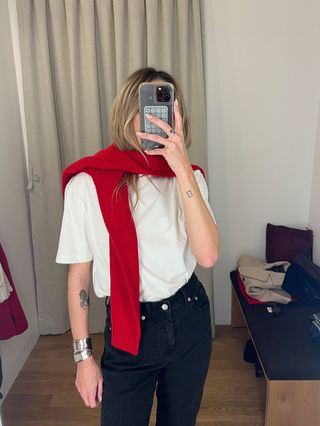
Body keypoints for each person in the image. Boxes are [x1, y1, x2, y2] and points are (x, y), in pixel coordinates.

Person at [55, 67, 220, 426]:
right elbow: (79, 275)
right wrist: (83, 357)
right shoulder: (87, 183)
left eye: (165, 109)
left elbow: (207, 256)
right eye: (147, 107)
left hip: (189, 316)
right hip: (131, 329)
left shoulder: (189, 178)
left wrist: (182, 170)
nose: (154, 120)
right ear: (129, 112)